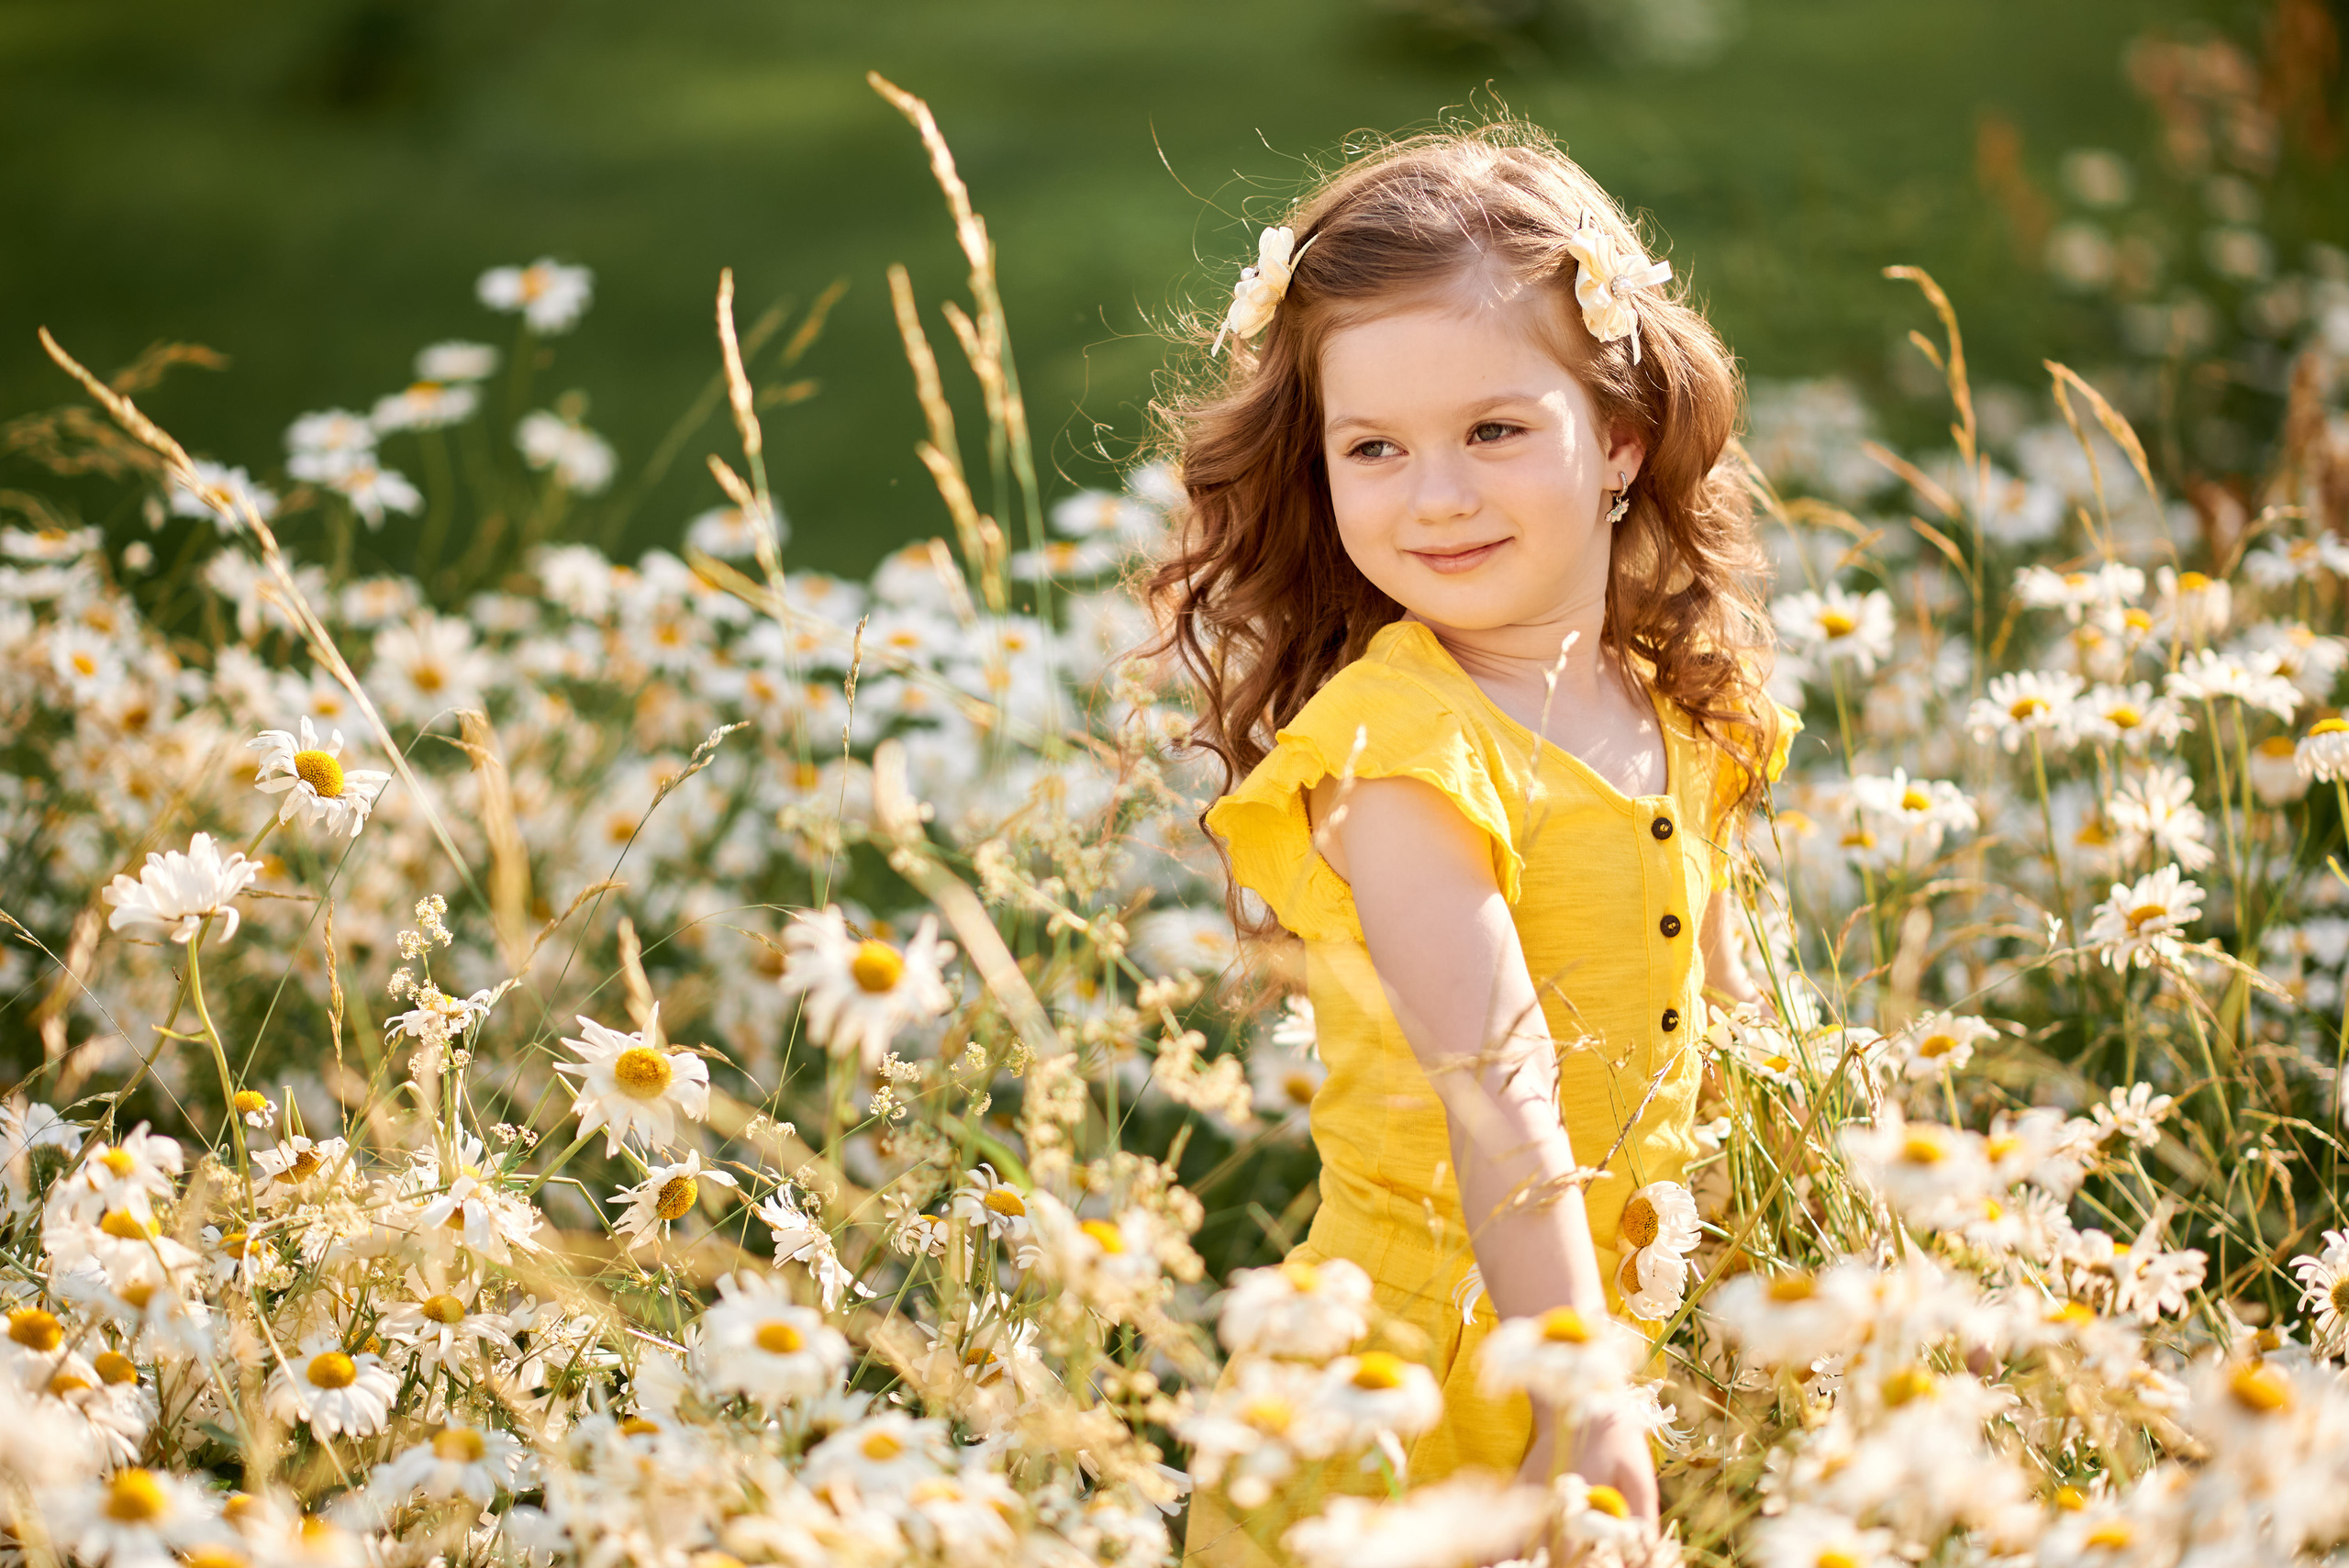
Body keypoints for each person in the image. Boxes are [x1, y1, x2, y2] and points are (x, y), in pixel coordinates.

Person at [1150, 122, 1798, 1565]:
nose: (1435, 493)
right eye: (1375, 447)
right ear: (1319, 470)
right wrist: (1579, 1395)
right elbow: (1496, 1090)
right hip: (1425, 1381)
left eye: (1495, 430)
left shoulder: (1672, 703)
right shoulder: (1406, 758)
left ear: (1620, 435)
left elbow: (1729, 1018)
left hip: (1619, 1322)